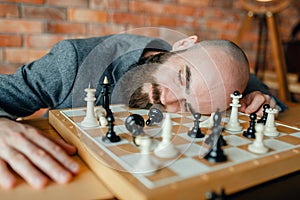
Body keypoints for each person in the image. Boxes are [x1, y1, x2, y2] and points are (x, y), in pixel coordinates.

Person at [0, 34, 286, 189]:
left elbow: (266, 98)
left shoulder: (223, 78)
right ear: (184, 44)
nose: (168, 98)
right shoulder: (74, 61)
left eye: (188, 106)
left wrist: (264, 101)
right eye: (182, 77)